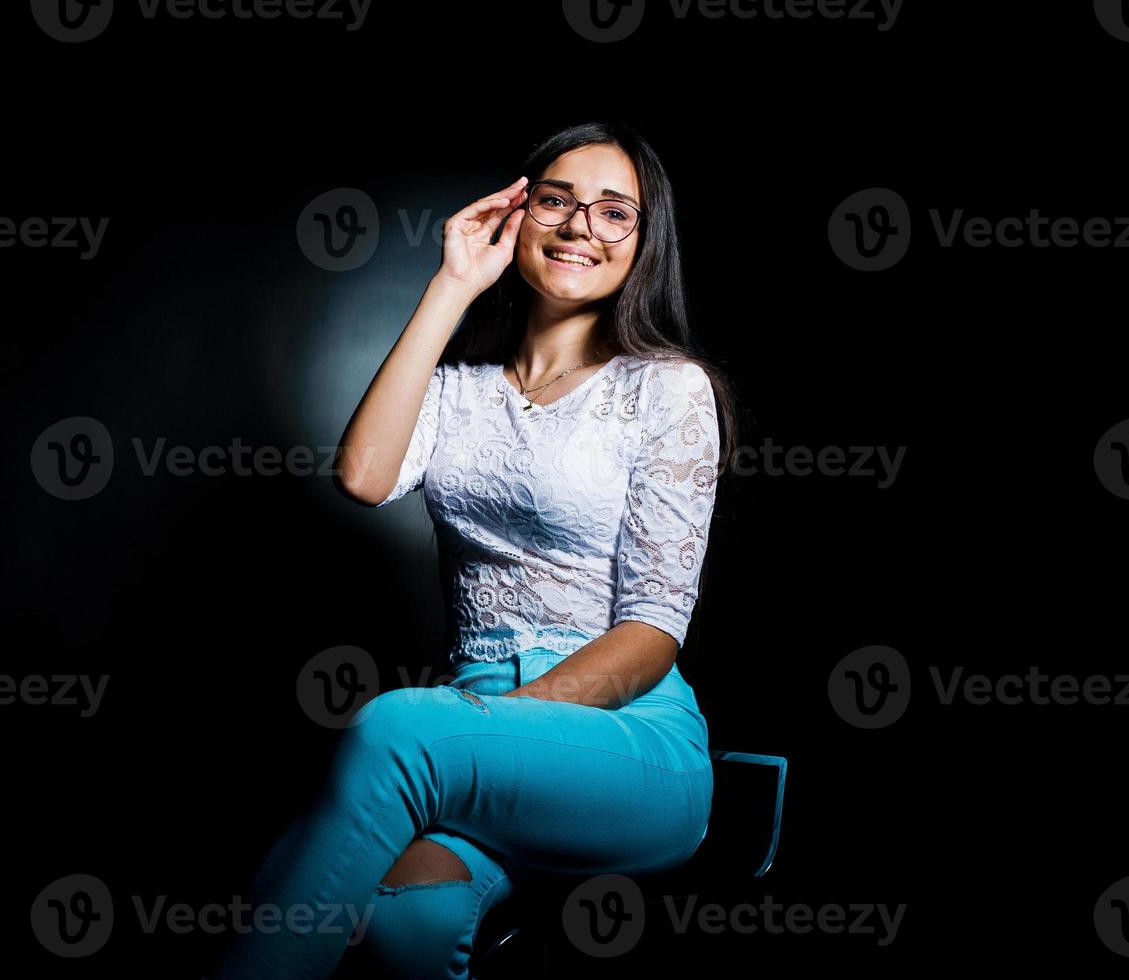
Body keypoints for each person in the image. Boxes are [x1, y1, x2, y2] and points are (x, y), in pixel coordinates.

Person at [211, 120, 740, 979]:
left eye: (615, 214)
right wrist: (454, 285)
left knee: (393, 725)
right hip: (470, 733)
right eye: (557, 201)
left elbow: (652, 631)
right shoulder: (457, 394)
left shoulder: (666, 390)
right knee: (405, 924)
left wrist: (492, 733)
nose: (579, 228)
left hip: (622, 738)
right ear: (517, 214)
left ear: (644, 245)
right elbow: (363, 476)